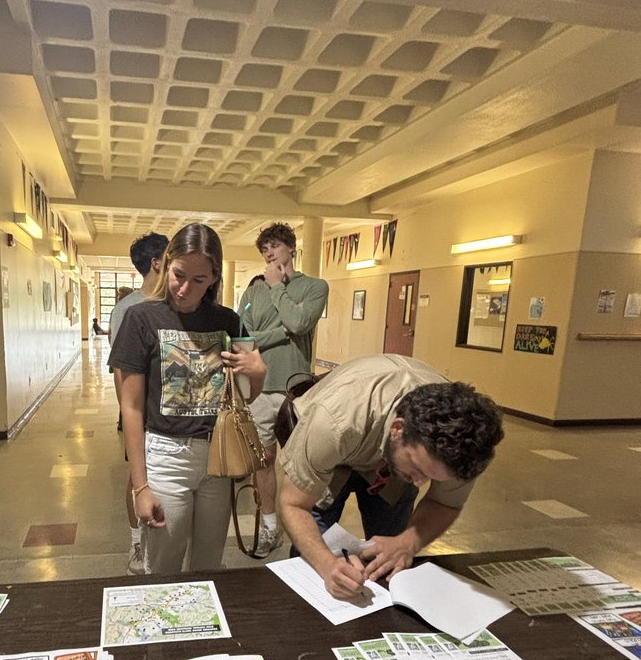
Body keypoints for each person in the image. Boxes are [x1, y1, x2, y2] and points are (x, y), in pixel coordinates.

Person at [279, 353, 503, 601]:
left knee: (390, 561)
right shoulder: (334, 421)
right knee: (317, 562)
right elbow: (294, 505)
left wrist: (408, 543)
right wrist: (327, 565)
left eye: (433, 478)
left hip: (389, 460)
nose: (420, 483)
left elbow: (444, 503)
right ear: (398, 429)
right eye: (419, 470)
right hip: (335, 445)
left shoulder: (462, 448)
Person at [109, 224, 266, 575]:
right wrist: (141, 486)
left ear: (213, 277)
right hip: (166, 455)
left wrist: (258, 373)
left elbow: (245, 397)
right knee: (162, 566)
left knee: (210, 565)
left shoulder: (229, 321)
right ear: (165, 263)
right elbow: (131, 408)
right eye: (178, 274)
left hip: (218, 456)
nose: (184, 288)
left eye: (199, 279)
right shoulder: (140, 317)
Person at [238, 223, 328, 557]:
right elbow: (243, 335)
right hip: (260, 388)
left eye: (275, 246)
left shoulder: (315, 287)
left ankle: (302, 529)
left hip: (297, 390)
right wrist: (281, 331)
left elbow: (301, 324)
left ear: (291, 248)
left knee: (301, 463)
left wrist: (278, 288)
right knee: (263, 460)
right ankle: (270, 527)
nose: (269, 254)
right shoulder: (252, 292)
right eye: (264, 250)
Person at [108, 232, 170, 573]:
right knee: (137, 476)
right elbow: (120, 371)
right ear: (156, 263)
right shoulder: (127, 309)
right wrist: (131, 415)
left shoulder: (172, 303)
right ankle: (135, 542)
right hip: (140, 413)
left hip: (168, 416)